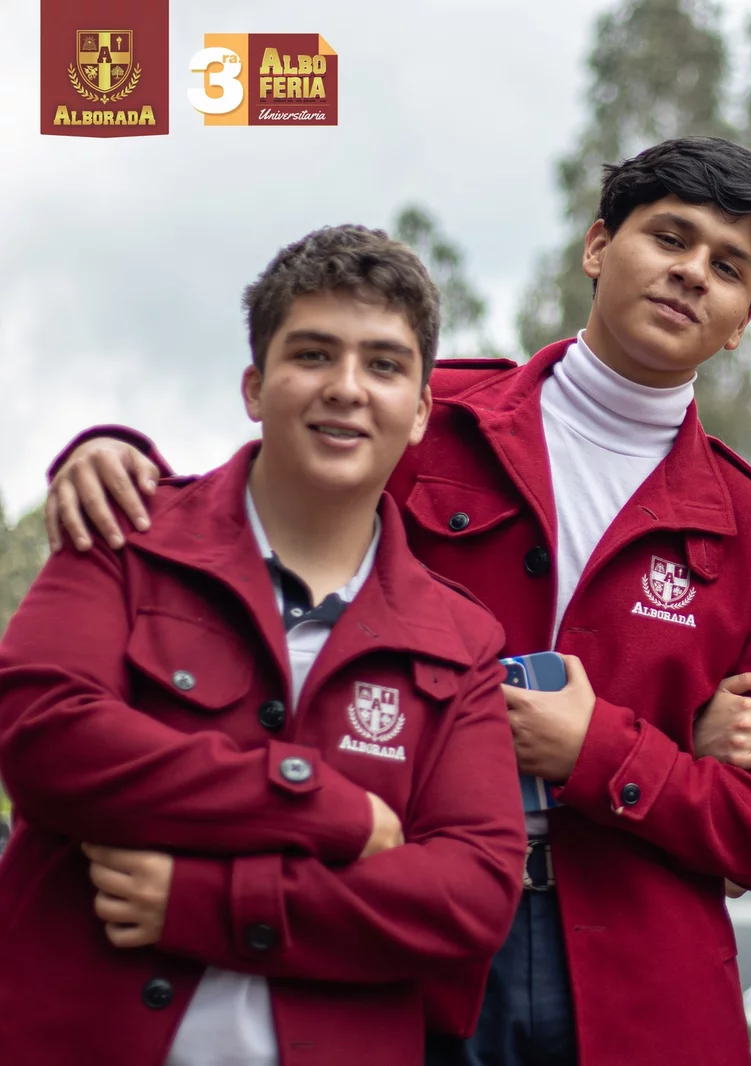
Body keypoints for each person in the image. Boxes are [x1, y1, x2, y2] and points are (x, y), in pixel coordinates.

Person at [41, 137, 751, 1066]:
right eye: (670, 238)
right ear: (598, 246)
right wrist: (108, 454)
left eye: (727, 268)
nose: (692, 273)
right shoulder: (430, 415)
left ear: (740, 321)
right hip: (400, 937)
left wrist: (603, 751)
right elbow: (241, 515)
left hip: (643, 991)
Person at [0, 225, 527, 1065]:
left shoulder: (460, 640)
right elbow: (44, 737)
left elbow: (471, 894)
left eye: (385, 365)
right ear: (255, 385)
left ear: (423, 409)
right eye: (312, 355)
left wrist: (206, 900)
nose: (347, 389)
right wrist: (327, 807)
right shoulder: (122, 535)